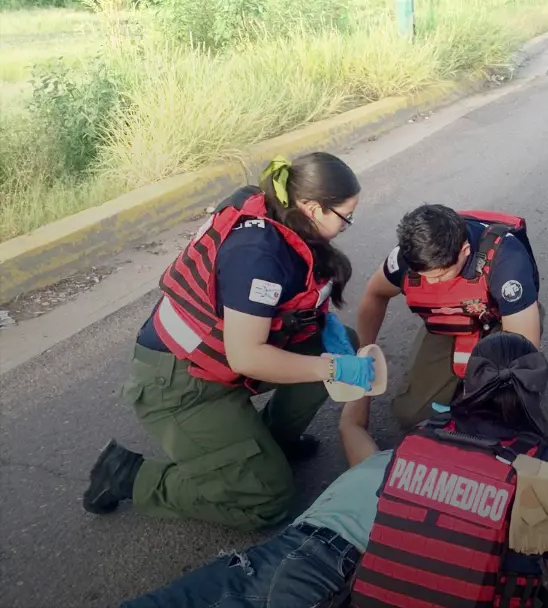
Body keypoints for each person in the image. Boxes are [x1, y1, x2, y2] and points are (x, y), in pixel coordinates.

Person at [121, 332, 548, 608]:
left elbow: (354, 434)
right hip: (323, 561)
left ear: (467, 386)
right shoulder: (543, 468)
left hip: (312, 555)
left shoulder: (416, 448)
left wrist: (359, 380)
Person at [83, 152, 378, 531]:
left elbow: (284, 307)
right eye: (344, 217)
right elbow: (246, 356)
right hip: (179, 383)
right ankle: (128, 476)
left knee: (337, 342)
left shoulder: (280, 213)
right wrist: (332, 367)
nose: (345, 225)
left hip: (216, 358)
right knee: (267, 501)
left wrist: (329, 338)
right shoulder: (258, 256)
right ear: (310, 206)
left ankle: (270, 445)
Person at [355, 203, 542, 428]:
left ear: (464, 251)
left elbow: (523, 346)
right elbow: (375, 294)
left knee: (500, 416)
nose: (432, 283)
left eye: (440, 275)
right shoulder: (409, 255)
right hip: (448, 322)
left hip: (501, 322)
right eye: (424, 276)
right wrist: (363, 355)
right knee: (411, 416)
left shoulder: (506, 258)